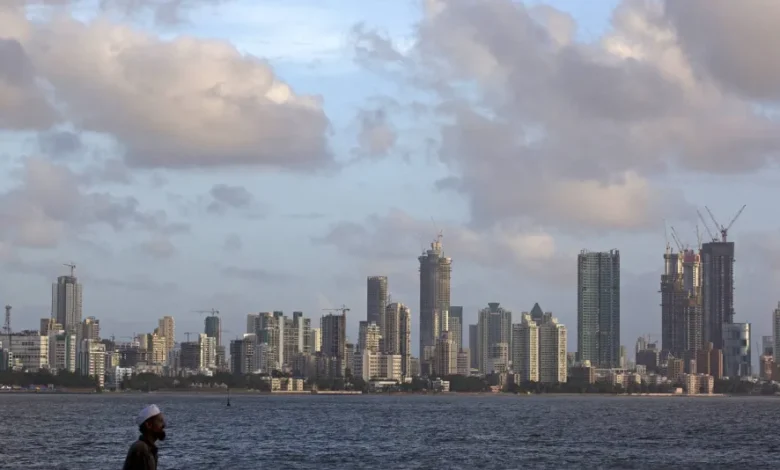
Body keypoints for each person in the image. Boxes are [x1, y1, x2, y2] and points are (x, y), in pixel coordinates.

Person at [122, 404, 167, 470]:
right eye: (160, 421)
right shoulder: (142, 449)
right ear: (148, 425)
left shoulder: (145, 447)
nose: (164, 425)